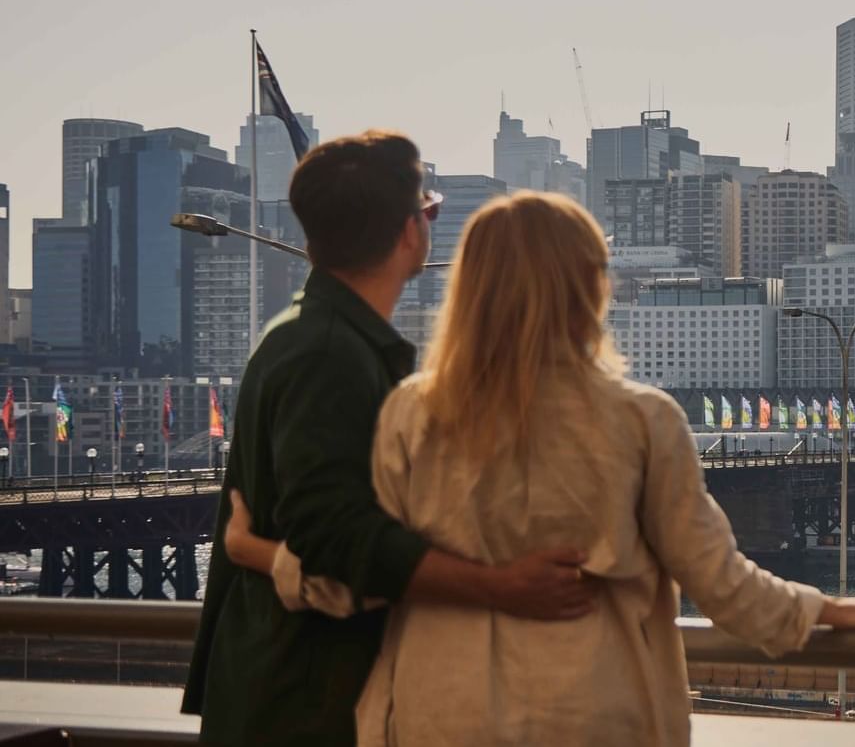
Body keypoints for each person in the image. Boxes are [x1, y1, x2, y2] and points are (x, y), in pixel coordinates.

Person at [227, 190, 855, 745]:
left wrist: (256, 550)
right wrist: (821, 606)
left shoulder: (412, 414)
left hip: (439, 712)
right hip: (592, 712)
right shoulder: (641, 419)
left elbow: (363, 574)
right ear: (585, 287)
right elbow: (719, 580)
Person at [184, 132, 595, 746]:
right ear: (412, 232)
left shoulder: (310, 337)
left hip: (295, 693)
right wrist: (501, 586)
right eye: (429, 211)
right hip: (309, 704)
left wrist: (252, 549)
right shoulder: (330, 355)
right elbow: (337, 539)